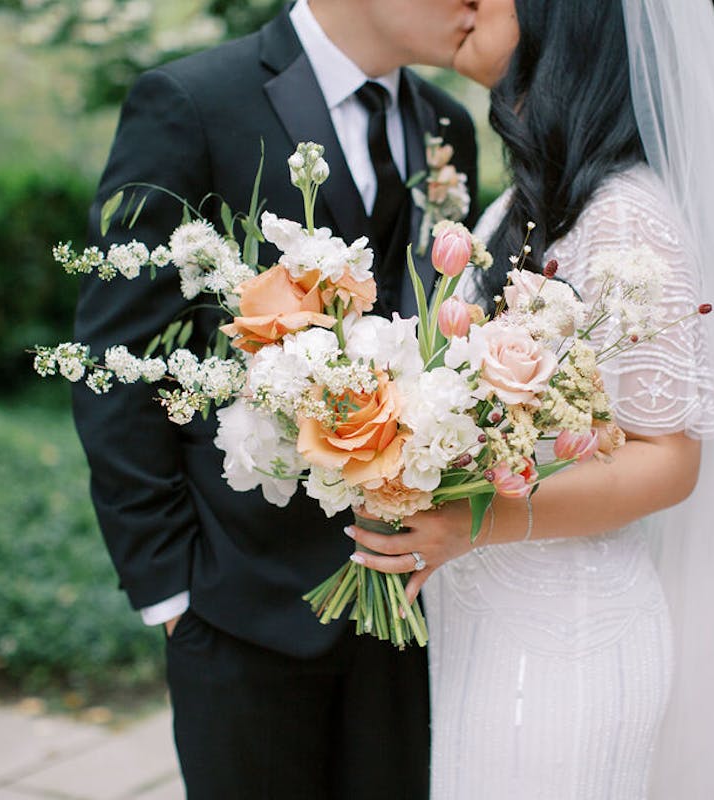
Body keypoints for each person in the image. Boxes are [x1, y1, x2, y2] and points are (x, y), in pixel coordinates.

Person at [346, 0, 714, 797]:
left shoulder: (627, 218)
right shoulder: (517, 209)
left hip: (565, 637)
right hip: (488, 623)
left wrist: (470, 519)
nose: (465, 3)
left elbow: (668, 461)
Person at [71, 1, 478, 797]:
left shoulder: (446, 126)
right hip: (239, 605)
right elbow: (118, 358)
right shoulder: (193, 101)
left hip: (410, 605)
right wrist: (172, 592)